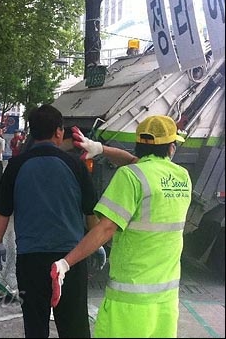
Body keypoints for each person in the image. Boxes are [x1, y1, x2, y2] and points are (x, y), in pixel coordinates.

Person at [51, 115, 192, 338]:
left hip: (130, 300)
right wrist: (100, 149)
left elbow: (106, 228)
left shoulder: (130, 177)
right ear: (171, 148)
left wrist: (66, 263)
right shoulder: (182, 177)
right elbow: (139, 163)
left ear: (138, 145)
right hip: (165, 301)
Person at [0, 104, 98, 338]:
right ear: (59, 132)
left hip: (31, 260)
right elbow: (91, 212)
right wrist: (96, 245)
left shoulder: (17, 165)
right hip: (71, 260)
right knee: (75, 327)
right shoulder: (75, 165)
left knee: (35, 325)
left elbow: (2, 211)